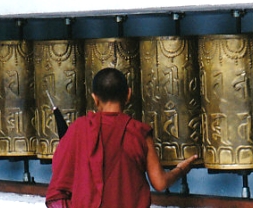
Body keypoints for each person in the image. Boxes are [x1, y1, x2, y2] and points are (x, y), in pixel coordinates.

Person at [46, 67, 199, 208]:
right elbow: (160, 183)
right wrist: (181, 170)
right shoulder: (139, 133)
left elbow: (60, 176)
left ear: (95, 98)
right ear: (128, 94)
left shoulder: (78, 129)